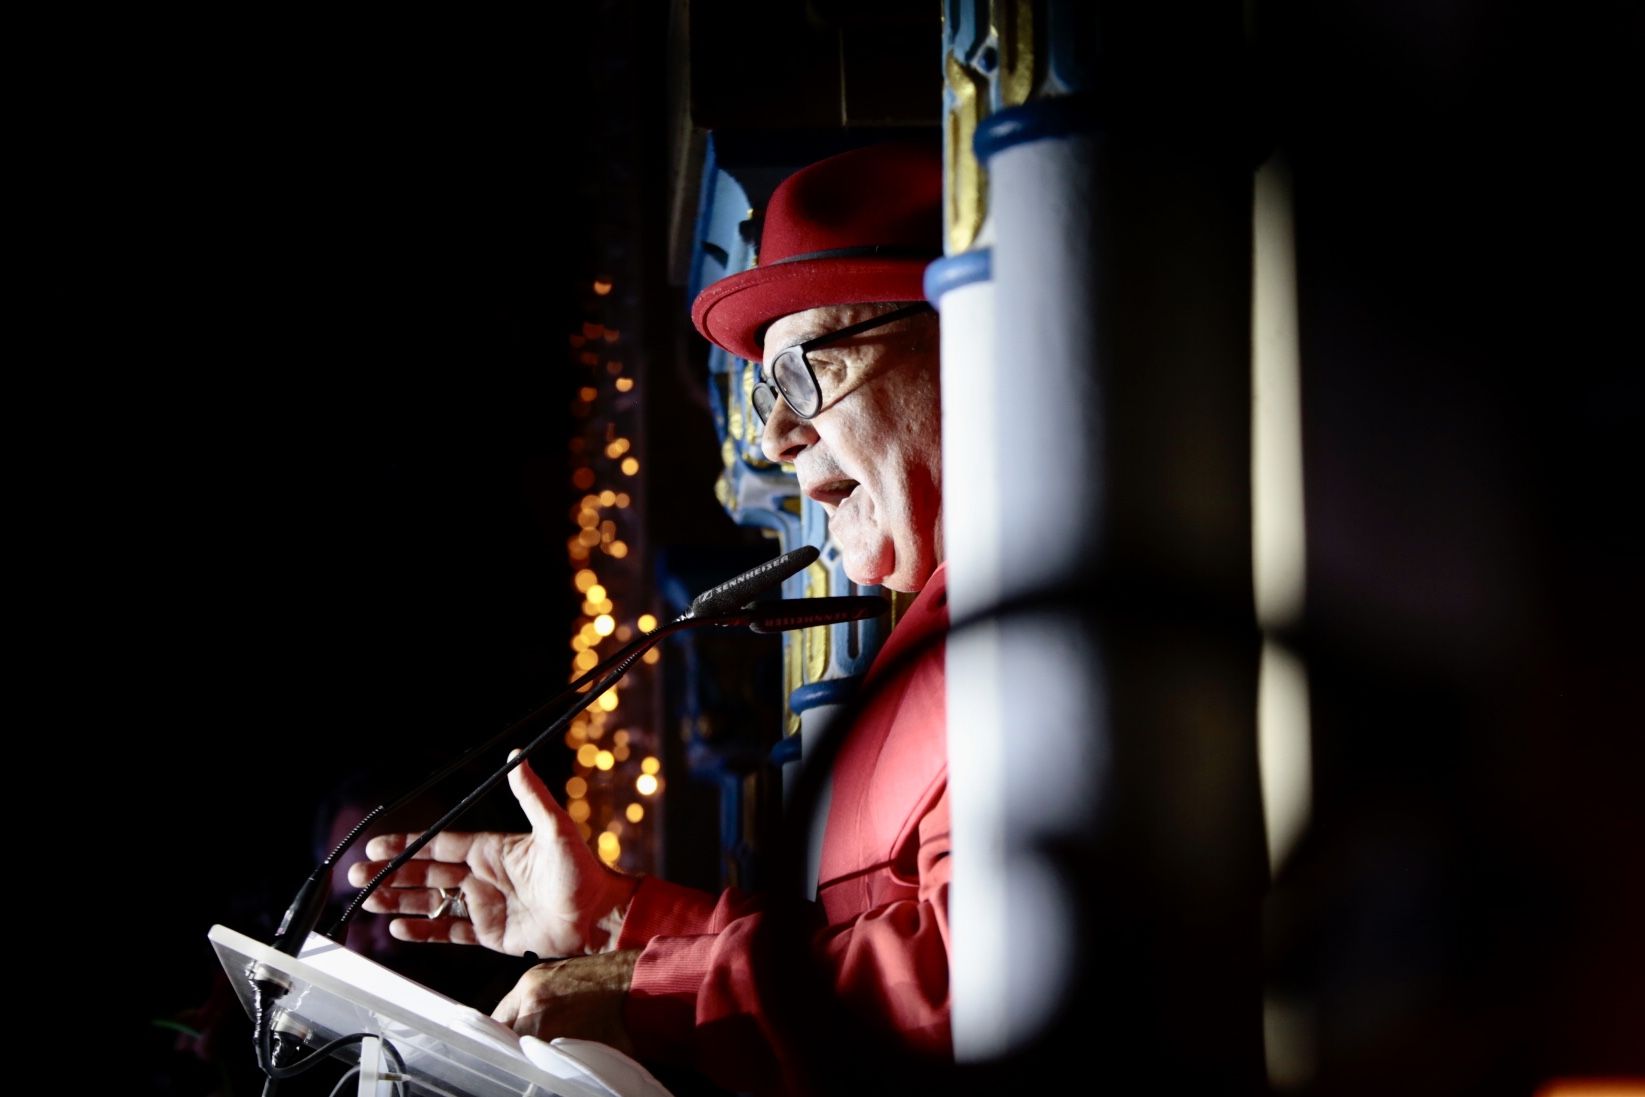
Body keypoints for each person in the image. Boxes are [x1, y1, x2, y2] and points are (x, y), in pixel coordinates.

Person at [349, 141, 950, 1093]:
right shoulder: (939, 624)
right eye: (764, 394)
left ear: (956, 342)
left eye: (799, 375)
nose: (774, 436)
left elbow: (971, 987)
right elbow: (847, 946)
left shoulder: (1025, 630)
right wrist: (613, 922)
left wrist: (645, 993)